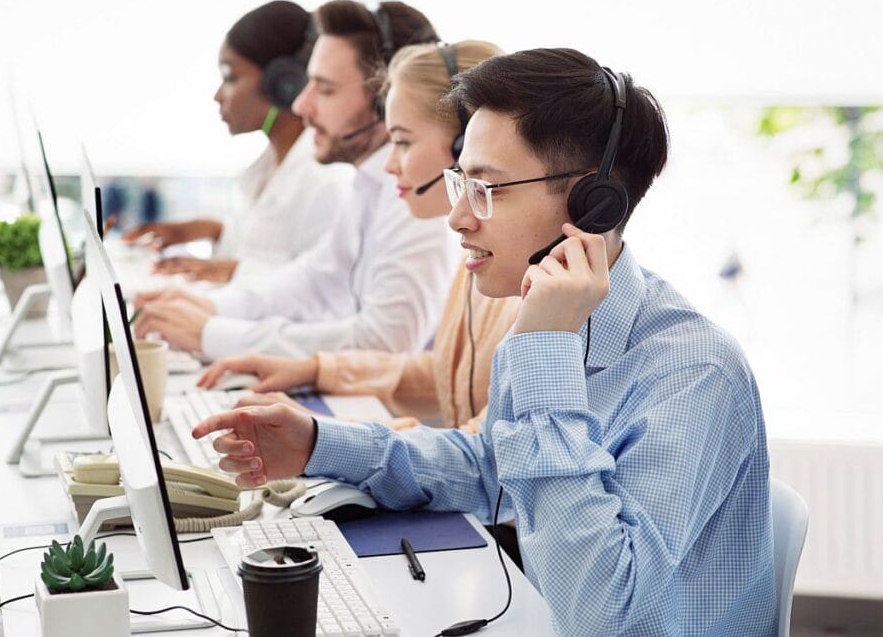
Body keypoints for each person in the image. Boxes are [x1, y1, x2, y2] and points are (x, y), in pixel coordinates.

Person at [192, 49, 776, 635]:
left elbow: (606, 617)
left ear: (591, 205)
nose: (457, 218)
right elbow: (489, 469)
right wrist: (320, 444)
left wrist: (545, 352)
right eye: (459, 183)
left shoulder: (692, 375)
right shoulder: (549, 319)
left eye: (486, 189)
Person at [198, 40, 519, 433]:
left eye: (402, 142)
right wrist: (316, 370)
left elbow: (482, 454)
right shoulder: (479, 260)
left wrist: (323, 434)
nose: (388, 164)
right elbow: (447, 376)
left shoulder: (523, 281)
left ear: (464, 146)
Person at [133, 1, 459, 360]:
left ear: (385, 100)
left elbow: (387, 343)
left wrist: (213, 334)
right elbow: (313, 280)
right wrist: (209, 308)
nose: (301, 105)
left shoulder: (414, 194)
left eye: (325, 89)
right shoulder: (368, 183)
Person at [122, 0, 350, 283]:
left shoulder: (325, 180)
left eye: (230, 77)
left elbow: (317, 291)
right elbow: (261, 248)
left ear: (282, 83)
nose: (218, 95)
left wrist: (222, 271)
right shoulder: (269, 164)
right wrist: (205, 229)